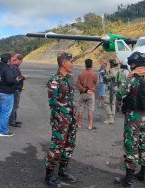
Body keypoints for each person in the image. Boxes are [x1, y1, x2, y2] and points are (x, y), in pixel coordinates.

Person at [115, 52, 145, 187]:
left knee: (131, 145)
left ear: (134, 64)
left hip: (134, 116)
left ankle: (129, 179)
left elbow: (120, 94)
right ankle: (143, 174)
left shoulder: (132, 78)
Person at [45, 51, 77, 187]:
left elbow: (70, 99)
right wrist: (59, 118)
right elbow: (52, 102)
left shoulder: (69, 78)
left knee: (69, 145)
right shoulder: (54, 80)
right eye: (71, 61)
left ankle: (62, 171)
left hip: (71, 119)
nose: (73, 64)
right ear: (64, 63)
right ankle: (49, 176)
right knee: (57, 146)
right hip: (60, 119)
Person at [0, 53, 20, 137]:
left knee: (0, 111)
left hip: (0, 92)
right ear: (8, 60)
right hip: (7, 93)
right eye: (11, 59)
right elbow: (9, 81)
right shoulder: (7, 69)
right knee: (5, 113)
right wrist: (16, 80)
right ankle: (3, 131)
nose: (12, 60)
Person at [77, 59, 98, 130]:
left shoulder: (81, 74)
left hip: (83, 93)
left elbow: (78, 85)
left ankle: (79, 124)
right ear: (91, 64)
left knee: (80, 109)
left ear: (85, 64)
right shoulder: (94, 74)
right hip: (91, 93)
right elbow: (96, 83)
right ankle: (90, 125)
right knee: (90, 110)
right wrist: (91, 89)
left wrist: (84, 90)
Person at [9, 54, 28, 127]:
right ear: (17, 60)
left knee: (15, 106)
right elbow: (17, 78)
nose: (21, 63)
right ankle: (12, 122)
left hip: (16, 89)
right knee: (14, 106)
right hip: (16, 89)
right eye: (20, 61)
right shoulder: (14, 67)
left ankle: (14, 120)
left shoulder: (14, 67)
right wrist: (23, 77)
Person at [103, 59, 120, 124]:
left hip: (111, 88)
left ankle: (110, 118)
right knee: (113, 103)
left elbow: (109, 77)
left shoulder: (112, 70)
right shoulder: (119, 70)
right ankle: (112, 117)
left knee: (106, 103)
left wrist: (106, 75)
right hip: (116, 88)